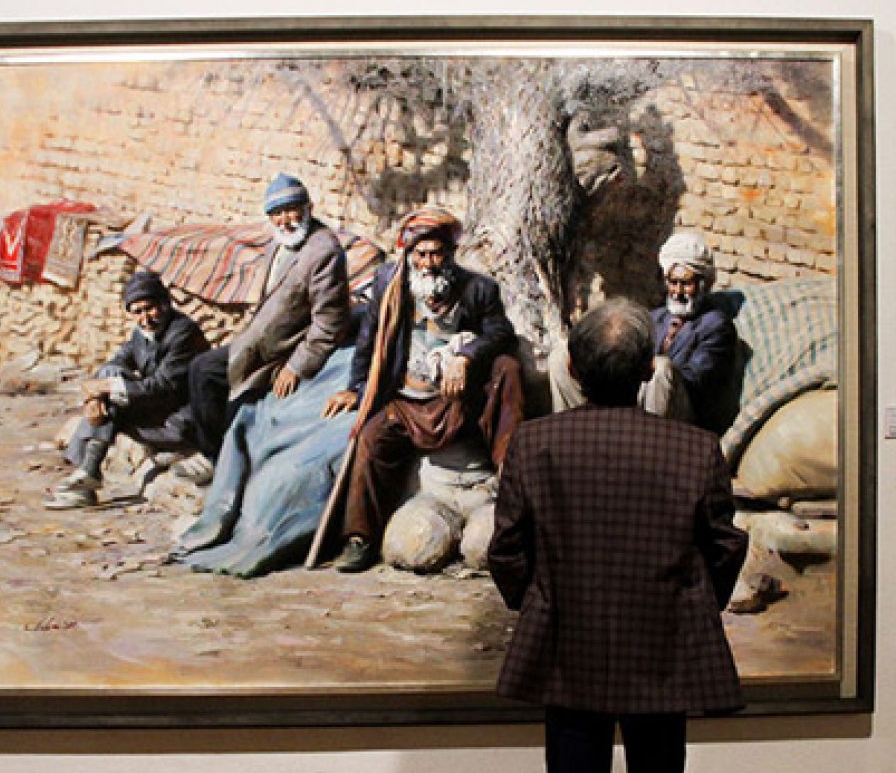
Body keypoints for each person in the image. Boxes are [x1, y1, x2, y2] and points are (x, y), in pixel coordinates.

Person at [489, 298, 748, 773]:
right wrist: (690, 604)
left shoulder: (535, 444)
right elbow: (725, 546)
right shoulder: (694, 448)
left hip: (569, 653)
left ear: (572, 367)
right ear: (645, 371)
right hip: (661, 654)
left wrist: (542, 601)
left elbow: (506, 551)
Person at [324, 207, 524, 573]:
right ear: (408, 253)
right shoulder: (390, 285)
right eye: (421, 254)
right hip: (406, 399)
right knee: (370, 439)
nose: (428, 263)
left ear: (450, 254)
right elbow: (369, 339)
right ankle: (360, 539)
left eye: (436, 254)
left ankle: (511, 484)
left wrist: (465, 356)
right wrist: (356, 387)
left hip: (456, 398)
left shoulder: (478, 289)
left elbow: (500, 333)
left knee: (506, 369)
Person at [178, 173, 351, 484]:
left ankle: (219, 462)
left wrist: (297, 366)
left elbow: (329, 322)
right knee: (200, 371)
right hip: (258, 344)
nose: (284, 220)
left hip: (284, 350)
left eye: (291, 210)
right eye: (276, 213)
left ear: (308, 208)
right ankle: (215, 455)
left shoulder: (322, 250)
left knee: (208, 375)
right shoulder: (281, 241)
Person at [45, 270, 209, 509]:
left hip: (183, 422)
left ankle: (88, 474)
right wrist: (94, 397)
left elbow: (162, 385)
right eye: (137, 312)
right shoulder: (142, 335)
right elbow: (116, 362)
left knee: (113, 395)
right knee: (110, 377)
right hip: (161, 410)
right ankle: (87, 475)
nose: (145, 318)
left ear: (165, 304)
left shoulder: (183, 333)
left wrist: (105, 389)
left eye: (150, 308)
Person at [548, 231, 739, 434]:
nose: (677, 292)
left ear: (704, 285)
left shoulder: (716, 326)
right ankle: (571, 431)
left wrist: (650, 366)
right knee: (562, 355)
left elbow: (697, 380)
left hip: (684, 415)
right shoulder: (656, 317)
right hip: (637, 398)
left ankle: (648, 442)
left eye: (686, 284)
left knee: (661, 369)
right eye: (673, 282)